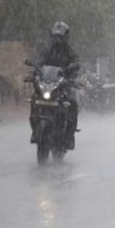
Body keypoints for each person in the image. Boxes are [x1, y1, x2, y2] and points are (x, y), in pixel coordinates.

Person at [31, 21, 80, 149]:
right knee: (34, 99)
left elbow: (76, 62)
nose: (58, 40)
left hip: (64, 84)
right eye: (55, 37)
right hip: (49, 83)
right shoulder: (48, 51)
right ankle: (35, 131)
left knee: (73, 102)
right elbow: (40, 61)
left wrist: (72, 69)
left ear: (65, 37)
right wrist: (35, 71)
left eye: (60, 37)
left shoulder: (69, 52)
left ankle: (69, 137)